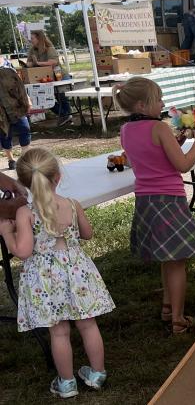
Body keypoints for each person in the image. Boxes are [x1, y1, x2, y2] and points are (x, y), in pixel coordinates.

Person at [0, 148, 114, 398]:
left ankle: (67, 383)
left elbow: (23, 251)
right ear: (58, 177)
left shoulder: (25, 213)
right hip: (77, 273)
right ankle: (97, 374)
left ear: (24, 183)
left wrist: (7, 233)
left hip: (46, 280)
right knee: (88, 324)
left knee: (59, 331)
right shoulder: (72, 204)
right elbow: (87, 233)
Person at [112, 77, 195, 335]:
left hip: (146, 201)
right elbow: (183, 165)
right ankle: (178, 319)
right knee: (177, 260)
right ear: (142, 105)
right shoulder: (160, 128)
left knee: (167, 257)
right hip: (169, 200)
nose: (163, 104)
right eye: (159, 100)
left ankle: (167, 307)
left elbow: (149, 156)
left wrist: (177, 143)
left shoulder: (126, 130)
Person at [26, 30, 72, 127]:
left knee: (61, 96)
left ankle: (66, 116)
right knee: (44, 99)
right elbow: (28, 63)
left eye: (33, 38)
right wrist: (32, 63)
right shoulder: (32, 50)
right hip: (44, 78)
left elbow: (53, 62)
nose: (31, 40)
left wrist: (38, 63)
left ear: (39, 38)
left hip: (60, 75)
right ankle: (65, 115)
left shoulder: (50, 49)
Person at [0, 61, 31, 170]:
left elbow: (20, 85)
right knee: (4, 134)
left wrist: (27, 99)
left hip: (15, 105)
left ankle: (25, 158)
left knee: (25, 128)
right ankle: (11, 160)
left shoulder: (8, 65)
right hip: (1, 109)